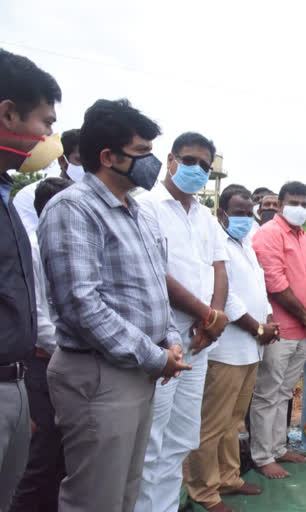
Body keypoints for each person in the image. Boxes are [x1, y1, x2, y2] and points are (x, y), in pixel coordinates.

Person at [39, 98, 190, 512]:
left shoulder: (137, 213)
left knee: (126, 490)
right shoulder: (74, 209)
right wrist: (154, 355)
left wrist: (170, 341)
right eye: (141, 153)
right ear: (108, 156)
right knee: (95, 497)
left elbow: (156, 288)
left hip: (137, 371)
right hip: (100, 374)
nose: (152, 163)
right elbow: (81, 305)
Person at [135, 132, 230, 512]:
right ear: (171, 160)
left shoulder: (206, 217)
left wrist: (214, 318)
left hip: (201, 341)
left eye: (205, 166)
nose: (198, 170)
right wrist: (206, 315)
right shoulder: (146, 206)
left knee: (181, 437)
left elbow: (219, 269)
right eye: (190, 161)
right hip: (163, 338)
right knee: (150, 440)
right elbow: (156, 271)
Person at [183, 185, 280, 512]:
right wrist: (258, 326)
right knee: (212, 424)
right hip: (227, 349)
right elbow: (226, 295)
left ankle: (228, 477)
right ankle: (203, 489)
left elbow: (259, 285)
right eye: (237, 212)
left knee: (233, 420)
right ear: (222, 213)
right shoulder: (216, 243)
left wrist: (267, 314)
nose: (245, 218)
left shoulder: (247, 244)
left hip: (251, 350)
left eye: (247, 212)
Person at [0, 48, 60, 511]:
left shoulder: (6, 195)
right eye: (45, 122)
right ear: (8, 113)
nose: (48, 136)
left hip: (16, 381)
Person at [250, 181, 306, 479]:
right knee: (267, 393)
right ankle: (262, 455)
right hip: (280, 329)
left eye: (304, 203)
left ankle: (279, 447)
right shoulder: (269, 234)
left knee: (284, 394)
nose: (300, 208)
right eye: (294, 202)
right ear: (281, 205)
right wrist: (305, 315)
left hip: (304, 329)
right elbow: (275, 282)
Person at [9, 177, 72, 512]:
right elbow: (37, 317)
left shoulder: (68, 247)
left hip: (65, 360)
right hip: (42, 363)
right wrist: (71, 350)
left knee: (65, 456)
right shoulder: (32, 249)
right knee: (39, 459)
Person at [13, 128, 83, 234]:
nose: (88, 168)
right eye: (80, 160)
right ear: (62, 161)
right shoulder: (30, 195)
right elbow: (28, 243)